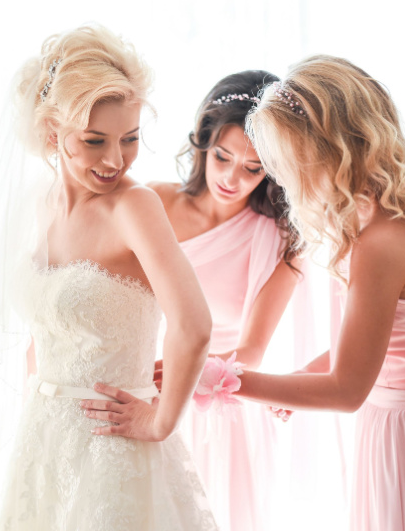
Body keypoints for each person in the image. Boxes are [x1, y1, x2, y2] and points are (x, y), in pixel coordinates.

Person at [88, 54, 405, 530]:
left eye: (281, 163)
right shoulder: (397, 221)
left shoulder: (382, 243)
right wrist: (306, 371)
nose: (284, 180)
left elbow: (346, 390)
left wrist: (216, 375)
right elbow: (392, 340)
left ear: (328, 151)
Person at [0, 24, 220, 530]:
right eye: (95, 141)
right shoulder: (38, 204)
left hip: (113, 451)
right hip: (43, 442)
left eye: (131, 139)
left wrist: (162, 420)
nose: (116, 160)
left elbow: (194, 324)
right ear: (53, 132)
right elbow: (42, 334)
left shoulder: (134, 206)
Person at [145, 70, 302, 530]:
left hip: (219, 412)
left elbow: (251, 352)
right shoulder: (151, 202)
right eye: (222, 157)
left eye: (252, 168)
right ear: (203, 143)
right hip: (141, 387)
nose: (232, 178)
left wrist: (179, 374)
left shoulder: (281, 241)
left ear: (273, 171)